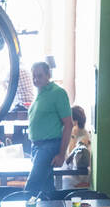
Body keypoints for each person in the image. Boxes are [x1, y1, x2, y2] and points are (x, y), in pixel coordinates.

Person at [22, 61, 73, 197]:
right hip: (37, 147)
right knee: (46, 191)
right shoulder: (39, 94)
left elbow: (68, 124)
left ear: (48, 75)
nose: (36, 79)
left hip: (49, 146)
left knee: (31, 188)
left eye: (39, 76)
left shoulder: (58, 93)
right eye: (34, 76)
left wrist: (62, 154)